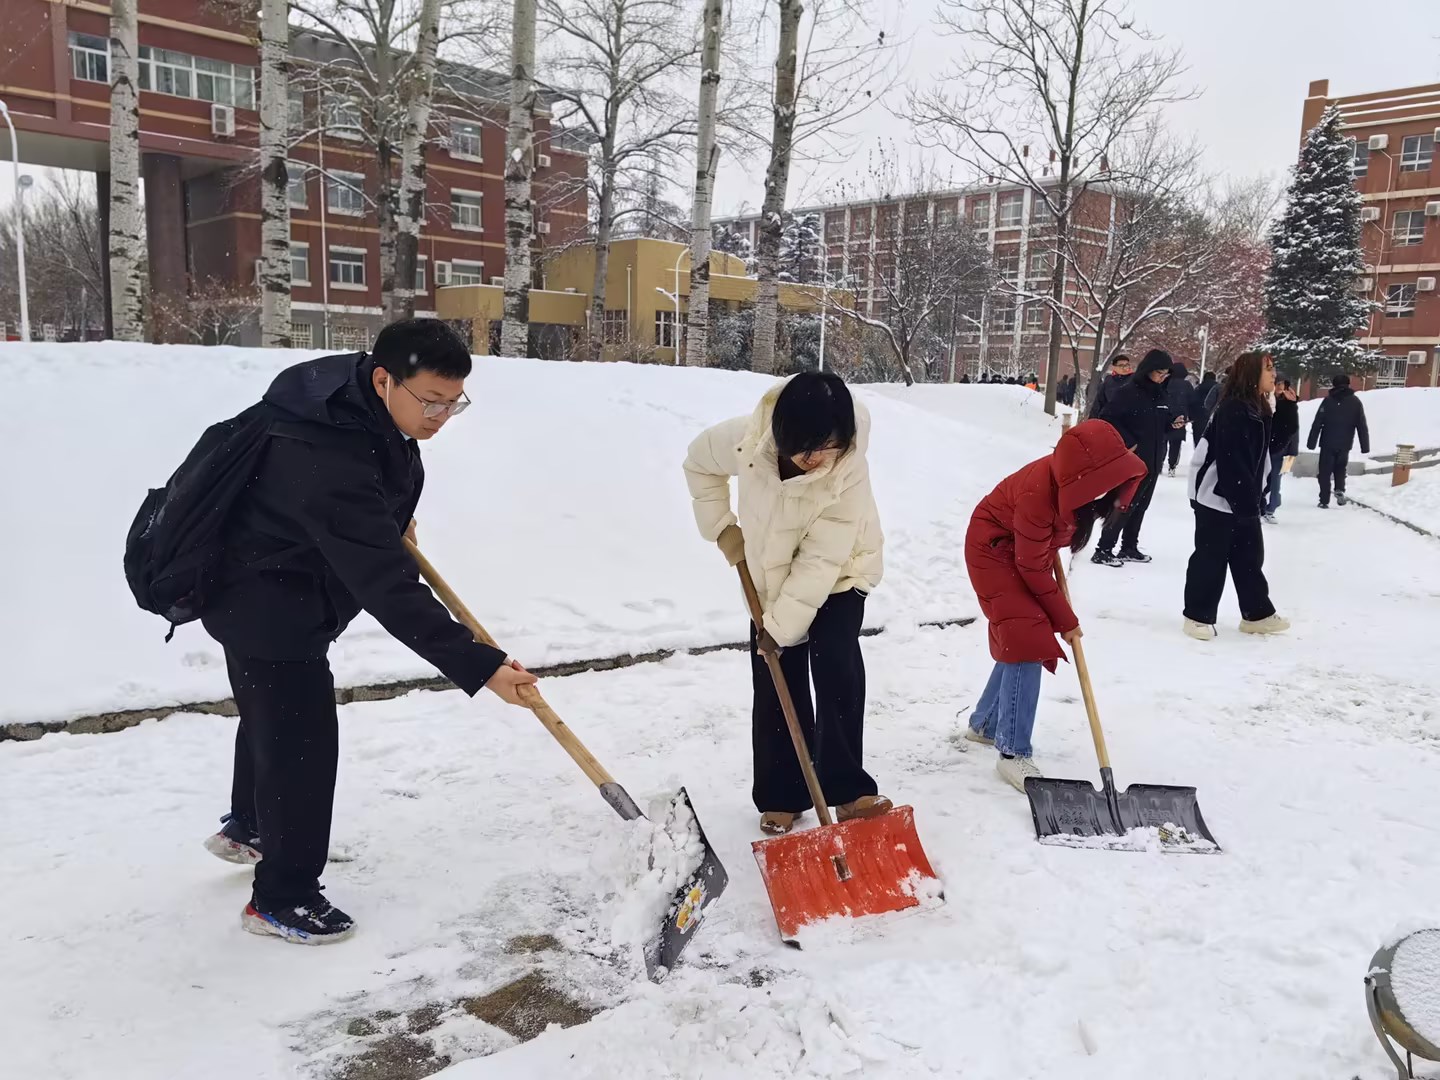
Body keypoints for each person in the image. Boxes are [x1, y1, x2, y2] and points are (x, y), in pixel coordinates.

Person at [198, 319, 539, 945]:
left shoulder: (350, 396)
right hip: (265, 602)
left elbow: (371, 500)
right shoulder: (324, 452)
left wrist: (388, 522)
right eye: (431, 401)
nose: (441, 415)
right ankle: (282, 896)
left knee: (269, 714)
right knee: (301, 738)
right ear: (384, 378)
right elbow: (388, 588)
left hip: (274, 583)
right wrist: (481, 665)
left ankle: (249, 826)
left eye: (453, 402)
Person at [684, 372, 888, 836]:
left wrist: (781, 627)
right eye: (806, 449)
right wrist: (722, 527)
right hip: (766, 571)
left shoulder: (847, 471)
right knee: (775, 673)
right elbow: (698, 464)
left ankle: (848, 790)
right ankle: (782, 792)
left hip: (840, 569)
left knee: (835, 660)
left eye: (827, 448)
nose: (816, 460)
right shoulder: (747, 440)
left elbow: (820, 561)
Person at [962, 421, 1145, 790]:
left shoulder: (1076, 491)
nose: (1108, 491)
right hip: (993, 549)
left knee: (1022, 635)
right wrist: (1066, 620)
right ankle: (1013, 752)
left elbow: (1036, 551)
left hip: (1024, 549)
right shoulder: (1037, 495)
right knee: (1026, 637)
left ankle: (986, 724)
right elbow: (1029, 564)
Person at [1182, 351, 1290, 640]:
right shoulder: (1234, 408)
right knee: (1211, 556)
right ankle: (1197, 616)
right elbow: (1232, 462)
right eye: (1268, 369)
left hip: (1243, 495)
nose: (1273, 374)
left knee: (1249, 557)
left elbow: (1274, 445)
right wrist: (1245, 505)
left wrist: (1289, 409)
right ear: (1252, 375)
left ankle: (1257, 615)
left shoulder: (1260, 406)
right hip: (1215, 494)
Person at [1091, 349, 1178, 566]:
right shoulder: (1128, 392)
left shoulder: (1160, 394)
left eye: (1166, 374)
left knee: (1141, 506)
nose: (1162, 377)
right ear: (1148, 370)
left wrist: (1172, 423)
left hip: (1154, 459)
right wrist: (1129, 441)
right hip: (1134, 461)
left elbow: (1160, 421)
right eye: (1159, 373)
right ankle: (1103, 549)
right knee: (1124, 505)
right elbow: (1108, 418)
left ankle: (1129, 546)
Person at [1307, 373, 1370, 508]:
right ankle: (1339, 489)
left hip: (1328, 442)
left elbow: (1318, 422)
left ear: (1334, 385)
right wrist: (1365, 446)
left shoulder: (1328, 401)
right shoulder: (1355, 402)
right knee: (1340, 468)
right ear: (1348, 384)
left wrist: (1311, 442)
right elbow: (1361, 425)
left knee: (1325, 472)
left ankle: (1324, 500)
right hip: (1345, 443)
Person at [1264, 379, 1300, 523]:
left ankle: (1271, 508)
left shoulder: (1288, 405)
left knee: (1275, 479)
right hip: (1264, 445)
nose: (1279, 388)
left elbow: (1293, 429)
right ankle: (1261, 505)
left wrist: (1292, 451)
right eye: (1276, 384)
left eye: (1281, 385)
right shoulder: (1264, 400)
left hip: (1278, 448)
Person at [1164, 360, 1191, 476]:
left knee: (1162, 441)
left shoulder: (1164, 383)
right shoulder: (1187, 385)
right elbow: (1192, 401)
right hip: (1180, 417)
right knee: (1176, 443)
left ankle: (1159, 463)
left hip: (1165, 415)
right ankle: (1172, 466)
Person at [1189, 371, 1217, 445]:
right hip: (1213, 418)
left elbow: (1192, 403)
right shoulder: (1217, 388)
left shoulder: (1198, 388)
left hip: (1199, 418)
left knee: (1199, 442)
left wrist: (1192, 417)